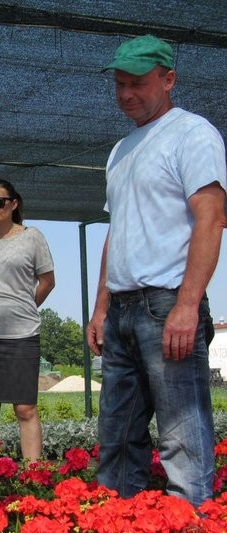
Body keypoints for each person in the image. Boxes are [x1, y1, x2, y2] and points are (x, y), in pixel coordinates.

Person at [86, 35, 226, 508]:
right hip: (123, 308)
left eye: (138, 84)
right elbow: (116, 231)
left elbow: (212, 217)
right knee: (117, 433)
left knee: (182, 432)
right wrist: (101, 307)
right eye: (120, 85)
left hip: (167, 302)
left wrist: (188, 305)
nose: (126, 94)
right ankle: (118, 532)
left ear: (168, 80)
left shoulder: (193, 133)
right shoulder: (120, 149)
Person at [0, 179, 55, 462]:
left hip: (23, 335)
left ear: (13, 203)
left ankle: (32, 476)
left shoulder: (32, 236)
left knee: (25, 408)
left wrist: (24, 306)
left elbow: (47, 281)